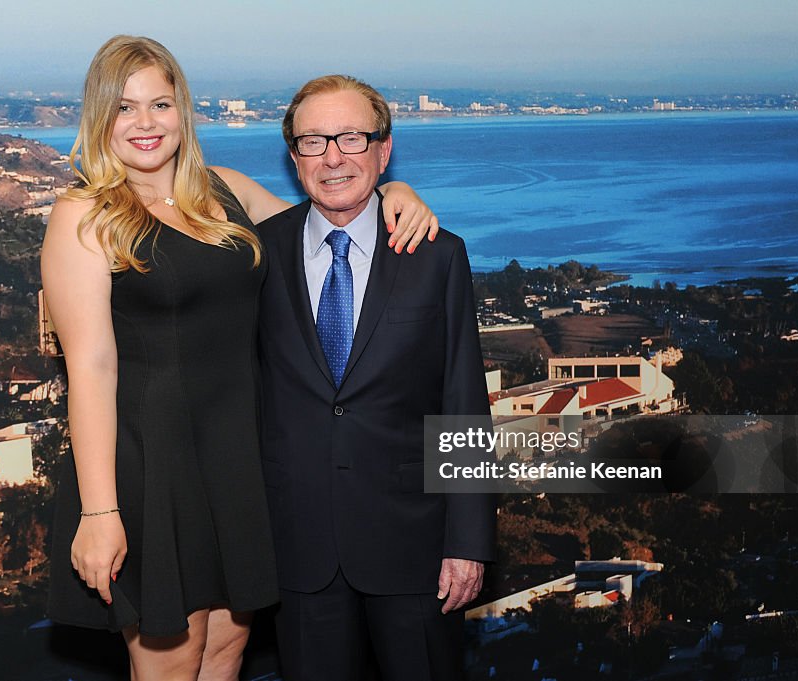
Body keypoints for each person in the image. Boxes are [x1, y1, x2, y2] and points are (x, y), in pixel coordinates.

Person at [42, 37, 438, 681]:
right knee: (173, 659)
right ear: (99, 119)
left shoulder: (224, 191)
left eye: (160, 103)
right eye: (125, 108)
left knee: (226, 651)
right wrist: (99, 512)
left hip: (237, 462)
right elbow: (90, 368)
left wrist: (396, 192)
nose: (146, 123)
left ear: (183, 111)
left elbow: (331, 224)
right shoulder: (84, 216)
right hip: (151, 468)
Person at [256, 75, 497, 681]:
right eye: (313, 141)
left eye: (351, 137)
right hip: (297, 551)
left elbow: (462, 402)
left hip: (416, 551)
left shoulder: (437, 256)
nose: (333, 156)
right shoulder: (256, 255)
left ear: (383, 150)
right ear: (294, 157)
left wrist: (467, 542)